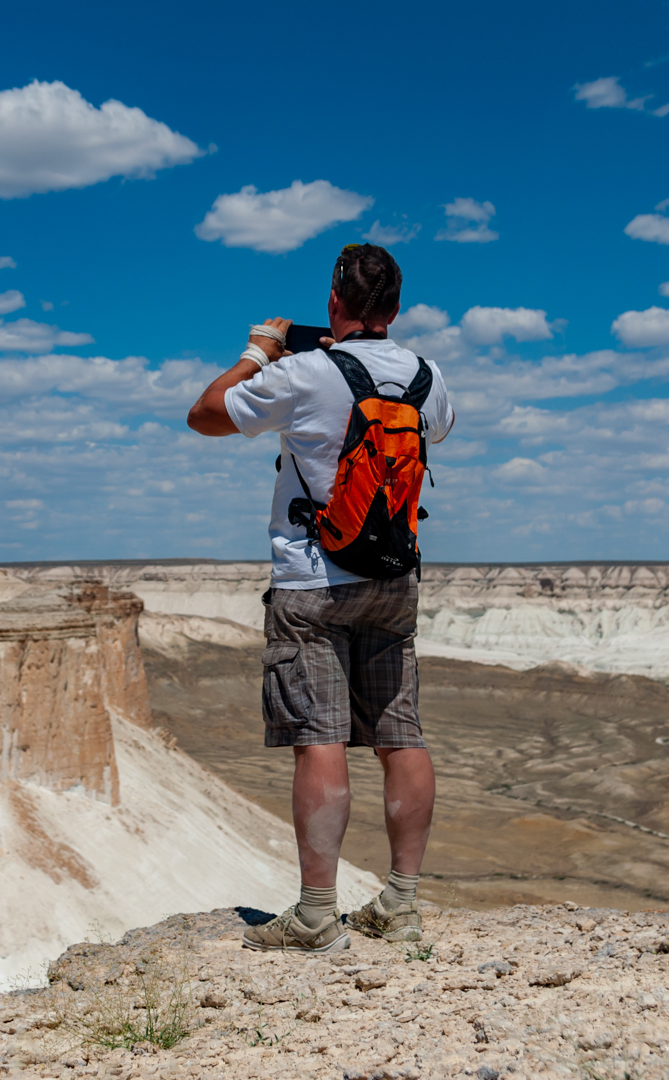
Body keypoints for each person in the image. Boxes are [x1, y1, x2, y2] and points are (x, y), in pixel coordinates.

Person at [186, 243, 455, 952]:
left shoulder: (304, 371)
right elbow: (431, 433)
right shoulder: (430, 378)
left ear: (334, 301)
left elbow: (206, 415)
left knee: (320, 737)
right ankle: (400, 904)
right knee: (401, 734)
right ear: (395, 309)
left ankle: (314, 914)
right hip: (393, 578)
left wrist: (256, 351)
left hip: (313, 579)